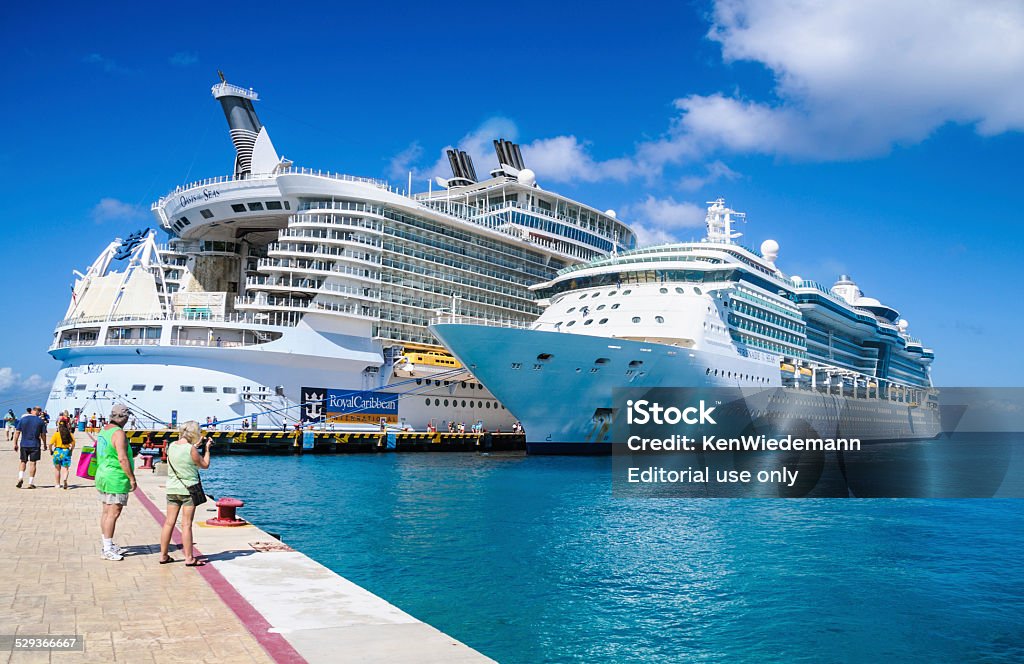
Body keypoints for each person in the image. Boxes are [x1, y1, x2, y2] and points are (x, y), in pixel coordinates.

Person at [159, 421, 212, 566]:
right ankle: (189, 558)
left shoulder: (171, 446)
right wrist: (207, 449)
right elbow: (205, 465)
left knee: (169, 522)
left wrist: (196, 446)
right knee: (186, 524)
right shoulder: (191, 449)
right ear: (194, 433)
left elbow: (184, 454)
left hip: (172, 489)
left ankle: (163, 555)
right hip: (188, 490)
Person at [95, 404, 137, 561]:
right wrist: (132, 478)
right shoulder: (119, 433)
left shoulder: (104, 430)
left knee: (106, 512)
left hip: (103, 474)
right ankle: (107, 549)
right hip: (115, 477)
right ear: (124, 417)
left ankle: (107, 543)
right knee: (114, 513)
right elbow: (122, 457)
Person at [13, 407, 46, 488]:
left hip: (24, 444)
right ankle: (30, 483)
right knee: (33, 463)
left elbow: (17, 432)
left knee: (23, 461)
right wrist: (45, 444)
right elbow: (43, 435)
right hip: (35, 444)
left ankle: (20, 477)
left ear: (32, 411)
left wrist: (15, 444)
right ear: (39, 412)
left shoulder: (23, 419)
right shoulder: (41, 421)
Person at [50, 419, 75, 489]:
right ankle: (65, 479)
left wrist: (50, 450)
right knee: (66, 468)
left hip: (57, 451)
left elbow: (50, 444)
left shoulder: (56, 434)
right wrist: (71, 450)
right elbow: (73, 443)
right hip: (66, 451)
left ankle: (57, 484)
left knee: (57, 469)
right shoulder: (69, 434)